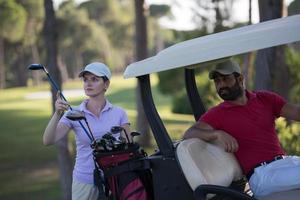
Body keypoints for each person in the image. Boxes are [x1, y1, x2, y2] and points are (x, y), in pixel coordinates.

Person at [183, 59, 300, 197]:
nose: (221, 85)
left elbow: (297, 113)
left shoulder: (265, 99)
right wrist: (217, 134)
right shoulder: (217, 114)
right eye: (217, 81)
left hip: (285, 163)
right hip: (262, 175)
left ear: (240, 78)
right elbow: (189, 133)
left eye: (225, 79)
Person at [43, 62, 131, 200]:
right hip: (84, 182)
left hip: (114, 180)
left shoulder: (119, 113)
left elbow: (129, 149)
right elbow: (48, 140)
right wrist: (57, 113)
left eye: (94, 79)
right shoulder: (74, 113)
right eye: (85, 80)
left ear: (106, 85)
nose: (88, 83)